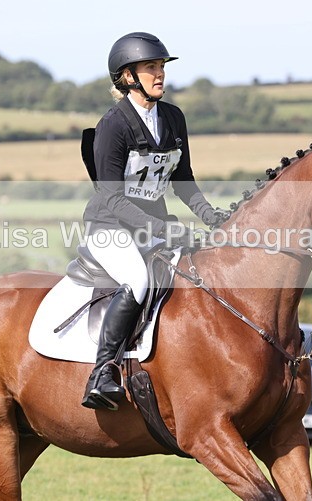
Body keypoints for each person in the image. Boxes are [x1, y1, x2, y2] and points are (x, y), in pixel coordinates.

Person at [80, 32, 227, 410]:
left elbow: (183, 179)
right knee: (138, 279)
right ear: (127, 76)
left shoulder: (173, 118)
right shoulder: (113, 125)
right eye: (151, 68)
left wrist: (211, 216)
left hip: (156, 225)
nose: (160, 74)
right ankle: (102, 372)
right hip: (109, 227)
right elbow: (111, 197)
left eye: (161, 67)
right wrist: (160, 228)